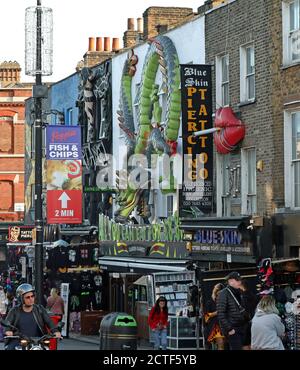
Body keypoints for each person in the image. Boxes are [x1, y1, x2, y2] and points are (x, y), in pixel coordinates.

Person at [3, 283, 62, 350]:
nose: (31, 299)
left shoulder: (39, 309)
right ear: (21, 299)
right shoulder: (14, 311)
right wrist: (8, 331)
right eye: (28, 297)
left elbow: (49, 321)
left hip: (37, 341)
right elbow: (7, 323)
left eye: (32, 296)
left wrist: (55, 331)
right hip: (19, 340)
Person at [216, 271, 248, 350]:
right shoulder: (223, 293)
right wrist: (229, 329)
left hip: (243, 327)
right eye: (237, 280)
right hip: (233, 329)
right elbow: (221, 314)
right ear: (230, 281)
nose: (240, 282)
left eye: (240, 280)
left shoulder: (239, 292)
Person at [203, 283, 225, 350]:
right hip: (215, 326)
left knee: (222, 345)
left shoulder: (224, 301)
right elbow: (206, 316)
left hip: (224, 325)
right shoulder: (210, 302)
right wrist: (216, 313)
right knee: (220, 344)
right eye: (216, 290)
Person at [240, 279, 258, 350]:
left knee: (245, 344)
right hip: (255, 322)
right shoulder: (254, 296)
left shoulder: (242, 298)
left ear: (242, 286)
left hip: (245, 324)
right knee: (253, 343)